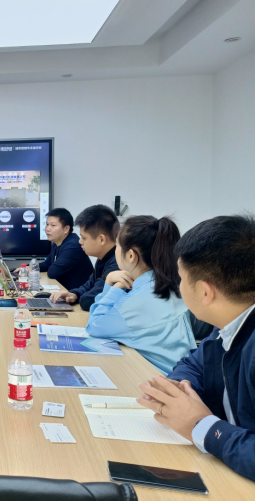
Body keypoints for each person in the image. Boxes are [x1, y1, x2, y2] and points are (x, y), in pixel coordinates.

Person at [138, 215, 255, 482]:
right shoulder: (228, 323)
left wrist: (202, 426)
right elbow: (193, 363)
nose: (179, 286)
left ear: (204, 292)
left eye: (181, 278)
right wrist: (179, 390)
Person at [86, 215, 196, 374]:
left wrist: (112, 286)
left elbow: (94, 326)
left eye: (117, 246)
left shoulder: (139, 300)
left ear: (131, 255)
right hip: (181, 374)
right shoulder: (167, 285)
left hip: (159, 378)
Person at [51, 204, 119, 311]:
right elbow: (89, 285)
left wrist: (80, 297)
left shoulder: (117, 263)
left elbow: (89, 301)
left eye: (84, 237)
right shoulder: (103, 257)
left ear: (101, 239)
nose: (80, 241)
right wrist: (74, 294)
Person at [26, 208, 92, 291]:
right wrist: (29, 268)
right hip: (64, 290)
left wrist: (35, 269)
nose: (47, 229)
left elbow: (53, 273)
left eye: (53, 225)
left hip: (77, 294)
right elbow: (48, 263)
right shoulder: (57, 242)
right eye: (47, 224)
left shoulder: (73, 246)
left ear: (66, 229)